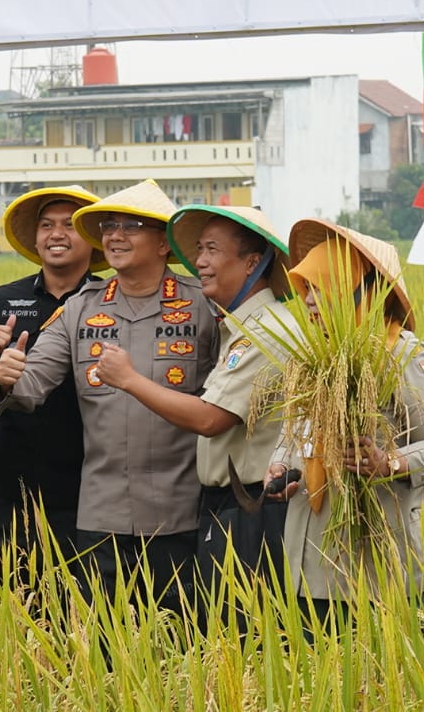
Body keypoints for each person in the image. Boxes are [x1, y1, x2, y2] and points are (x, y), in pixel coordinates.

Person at [0, 180, 218, 614]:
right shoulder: (81, 308)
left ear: (163, 243)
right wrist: (6, 375)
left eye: (131, 226)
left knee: (183, 649)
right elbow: (30, 384)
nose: (115, 236)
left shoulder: (203, 308)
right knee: (104, 651)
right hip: (100, 518)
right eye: (109, 226)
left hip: (181, 515)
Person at [93, 204, 296, 610]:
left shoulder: (266, 332)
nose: (200, 262)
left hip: (253, 508)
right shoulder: (237, 327)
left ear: (253, 262)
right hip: (228, 506)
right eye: (199, 250)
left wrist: (130, 379)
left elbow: (209, 419)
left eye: (213, 251)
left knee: (244, 636)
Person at [266, 220, 424, 630]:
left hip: (379, 567)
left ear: (360, 290)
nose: (310, 300)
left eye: (321, 287)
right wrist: (281, 467)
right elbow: (291, 435)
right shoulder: (311, 359)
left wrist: (388, 463)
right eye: (306, 289)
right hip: (309, 562)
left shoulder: (404, 357)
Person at [0, 185, 106, 571]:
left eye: (70, 225)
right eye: (46, 225)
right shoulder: (4, 300)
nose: (56, 234)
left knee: (78, 609)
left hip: (84, 485)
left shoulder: (110, 301)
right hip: (8, 481)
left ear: (91, 238)